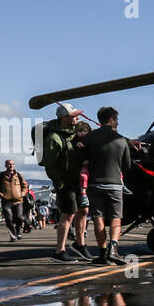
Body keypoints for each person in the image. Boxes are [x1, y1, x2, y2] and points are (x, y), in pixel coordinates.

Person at [78, 106, 136, 265]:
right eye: (116, 119)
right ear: (111, 119)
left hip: (95, 184)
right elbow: (127, 166)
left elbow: (80, 153)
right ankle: (114, 249)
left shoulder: (90, 138)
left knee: (98, 218)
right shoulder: (121, 140)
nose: (117, 122)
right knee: (116, 218)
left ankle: (103, 253)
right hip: (115, 184)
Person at [44, 104, 92, 263]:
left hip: (78, 181)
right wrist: (60, 184)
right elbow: (49, 165)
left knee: (83, 211)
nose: (77, 118)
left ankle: (80, 245)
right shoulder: (54, 138)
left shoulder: (74, 134)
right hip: (65, 183)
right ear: (64, 118)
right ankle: (59, 251)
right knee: (68, 214)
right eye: (74, 116)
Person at [0, 159, 30, 242]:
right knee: (9, 219)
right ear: (5, 165)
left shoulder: (19, 175)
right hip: (6, 202)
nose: (11, 165)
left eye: (13, 164)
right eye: (9, 164)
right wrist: (2, 195)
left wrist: (22, 194)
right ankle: (13, 236)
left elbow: (25, 186)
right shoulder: (0, 176)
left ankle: (19, 233)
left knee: (19, 217)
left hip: (18, 201)